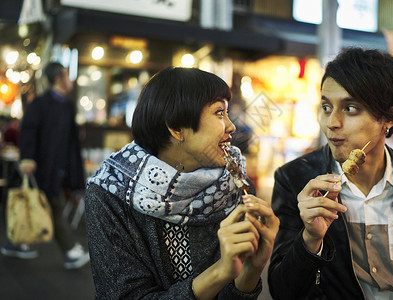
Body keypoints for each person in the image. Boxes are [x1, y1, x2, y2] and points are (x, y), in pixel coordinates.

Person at [268, 47, 393, 300]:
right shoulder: (295, 180)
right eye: (326, 107)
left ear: (390, 116)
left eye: (351, 108)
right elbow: (283, 292)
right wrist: (309, 239)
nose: (332, 122)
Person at [84, 67, 279, 299]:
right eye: (219, 112)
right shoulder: (110, 193)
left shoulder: (234, 187)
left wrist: (251, 270)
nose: (231, 126)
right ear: (176, 127)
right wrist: (220, 272)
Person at [1, 62, 90, 269]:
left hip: (57, 168)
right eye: (67, 76)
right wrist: (27, 158)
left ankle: (16, 241)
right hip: (40, 166)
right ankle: (70, 251)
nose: (70, 81)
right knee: (52, 204)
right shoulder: (41, 104)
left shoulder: (67, 106)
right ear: (59, 78)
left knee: (39, 203)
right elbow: (29, 131)